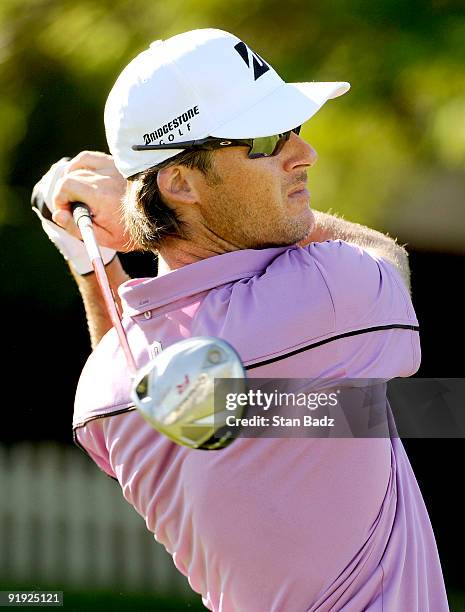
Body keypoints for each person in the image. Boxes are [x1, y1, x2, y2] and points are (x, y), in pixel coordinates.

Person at [33, 28, 449, 612]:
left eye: (293, 130)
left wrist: (95, 255)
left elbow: (134, 379)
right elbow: (388, 260)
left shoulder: (102, 398)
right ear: (181, 183)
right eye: (265, 139)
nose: (303, 154)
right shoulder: (332, 294)